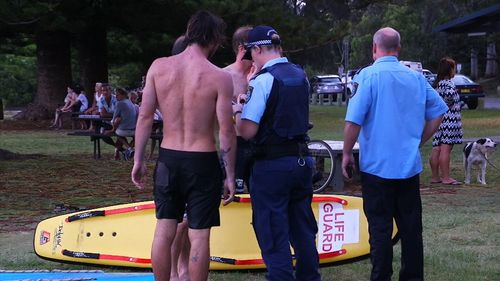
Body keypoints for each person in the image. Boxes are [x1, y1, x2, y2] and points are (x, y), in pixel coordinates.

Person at [131, 10, 236, 281]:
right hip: (202, 161)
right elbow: (226, 130)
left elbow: (144, 116)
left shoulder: (159, 67)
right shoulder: (219, 77)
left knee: (164, 230)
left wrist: (138, 160)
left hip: (168, 159)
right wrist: (230, 175)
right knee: (199, 235)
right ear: (213, 38)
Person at [341, 27, 449, 281]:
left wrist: (346, 153)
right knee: (412, 229)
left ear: (374, 48)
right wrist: (418, 140)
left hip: (376, 168)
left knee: (380, 228)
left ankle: (381, 276)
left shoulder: (367, 76)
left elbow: (353, 122)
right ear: (398, 49)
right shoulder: (416, 78)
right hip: (408, 166)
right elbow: (439, 111)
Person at [233, 25, 321, 281]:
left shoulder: (263, 81)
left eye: (252, 54)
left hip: (271, 166)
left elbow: (247, 131)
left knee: (273, 232)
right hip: (302, 161)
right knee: (303, 229)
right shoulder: (300, 74)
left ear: (258, 49)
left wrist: (238, 108)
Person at [223, 26, 254, 194]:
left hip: (258, 143)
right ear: (242, 48)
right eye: (255, 47)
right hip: (234, 144)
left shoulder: (260, 76)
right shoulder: (224, 76)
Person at [429, 57, 463, 185]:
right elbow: (449, 97)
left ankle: (435, 177)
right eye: (453, 68)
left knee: (436, 148)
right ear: (449, 69)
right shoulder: (448, 83)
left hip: (439, 119)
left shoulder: (438, 83)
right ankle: (446, 177)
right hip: (449, 120)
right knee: (446, 149)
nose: (455, 70)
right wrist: (448, 107)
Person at [104, 87, 138, 160]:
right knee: (118, 130)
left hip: (124, 130)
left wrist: (112, 125)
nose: (116, 96)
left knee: (116, 133)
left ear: (123, 95)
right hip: (134, 129)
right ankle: (128, 150)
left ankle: (128, 149)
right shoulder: (130, 102)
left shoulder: (120, 103)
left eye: (117, 95)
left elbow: (114, 118)